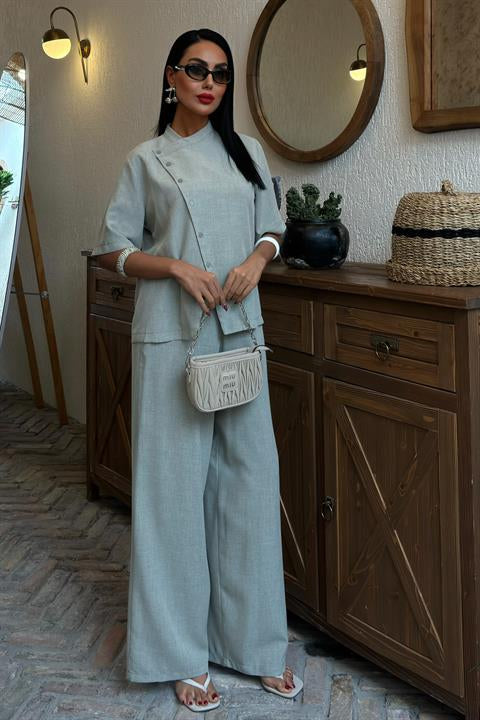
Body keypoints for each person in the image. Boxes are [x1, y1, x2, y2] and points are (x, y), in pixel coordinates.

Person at [89, 27, 303, 713]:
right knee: (172, 498)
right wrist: (176, 267)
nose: (210, 82)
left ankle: (256, 645)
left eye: (220, 72)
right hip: (170, 336)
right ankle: (179, 654)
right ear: (171, 77)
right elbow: (111, 249)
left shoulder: (247, 153)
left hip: (240, 332)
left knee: (249, 487)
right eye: (196, 69)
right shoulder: (145, 160)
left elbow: (272, 227)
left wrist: (257, 260)